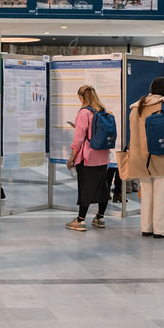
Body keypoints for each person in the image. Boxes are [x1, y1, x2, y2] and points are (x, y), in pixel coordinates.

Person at [126, 77, 164, 238]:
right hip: (160, 154)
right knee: (160, 194)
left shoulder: (137, 107)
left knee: (146, 193)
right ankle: (159, 230)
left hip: (140, 156)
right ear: (163, 90)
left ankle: (146, 227)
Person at [66, 85, 111, 232]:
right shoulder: (102, 110)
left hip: (88, 157)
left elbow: (79, 138)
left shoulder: (84, 112)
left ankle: (80, 220)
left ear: (82, 97)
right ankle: (100, 217)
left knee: (85, 188)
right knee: (102, 187)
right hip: (103, 156)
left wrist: (72, 156)